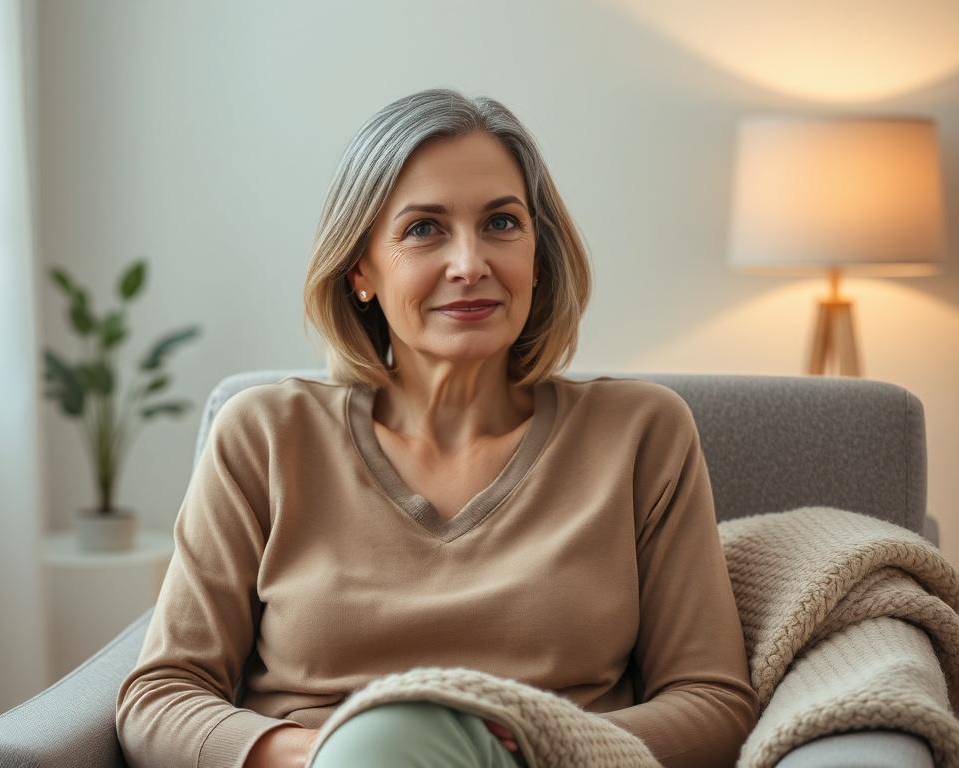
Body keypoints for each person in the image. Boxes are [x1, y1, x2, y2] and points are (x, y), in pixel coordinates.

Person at [115, 87, 760, 768]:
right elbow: (161, 697)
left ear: (538, 258)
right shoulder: (265, 435)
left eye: (501, 223)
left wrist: (516, 750)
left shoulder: (640, 433)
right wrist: (332, 754)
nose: (470, 264)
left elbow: (712, 703)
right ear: (360, 269)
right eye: (424, 229)